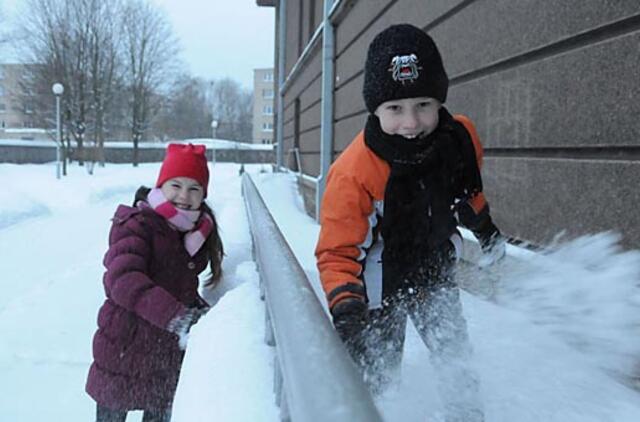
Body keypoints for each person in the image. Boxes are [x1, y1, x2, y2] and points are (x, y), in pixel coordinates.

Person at [315, 24, 505, 422]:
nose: (411, 122)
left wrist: (484, 227)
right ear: (375, 109)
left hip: (433, 274)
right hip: (378, 290)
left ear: (439, 101)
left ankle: (467, 415)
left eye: (423, 104)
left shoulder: (459, 139)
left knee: (457, 363)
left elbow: (464, 188)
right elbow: (337, 250)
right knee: (379, 379)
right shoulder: (354, 172)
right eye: (395, 109)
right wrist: (347, 307)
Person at [86, 143, 224, 422]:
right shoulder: (137, 224)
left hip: (164, 358)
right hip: (123, 350)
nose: (184, 196)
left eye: (194, 188)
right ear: (161, 185)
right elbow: (123, 279)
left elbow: (181, 284)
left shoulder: (196, 232)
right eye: (176, 185)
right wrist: (177, 317)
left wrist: (210, 316)